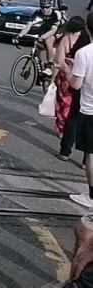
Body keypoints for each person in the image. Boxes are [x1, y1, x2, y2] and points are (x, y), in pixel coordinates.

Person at [68, 12, 93, 210]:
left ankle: (91, 196)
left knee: (91, 155)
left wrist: (68, 70)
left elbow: (76, 85)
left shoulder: (84, 53)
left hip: (90, 110)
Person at [55, 16, 87, 145]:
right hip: (82, 75)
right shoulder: (86, 40)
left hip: (66, 75)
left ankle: (63, 128)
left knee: (63, 102)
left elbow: (59, 61)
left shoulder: (66, 40)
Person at [13, 0, 63, 76]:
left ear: (50, 6)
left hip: (59, 30)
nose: (45, 10)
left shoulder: (56, 13)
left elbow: (53, 30)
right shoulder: (37, 12)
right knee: (37, 45)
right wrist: (19, 35)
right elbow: (28, 25)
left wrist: (42, 37)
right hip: (47, 28)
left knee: (48, 40)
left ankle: (49, 66)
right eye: (43, 7)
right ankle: (39, 68)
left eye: (47, 7)